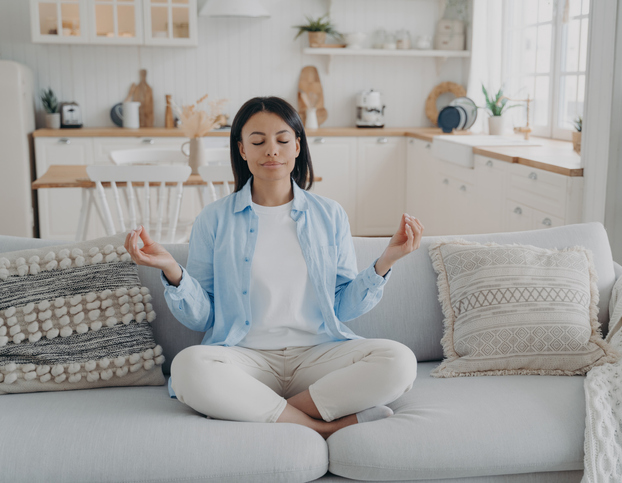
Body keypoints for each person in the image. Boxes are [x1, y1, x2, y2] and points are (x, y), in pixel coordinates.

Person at [124, 96, 425, 439]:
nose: (271, 150)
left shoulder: (330, 214)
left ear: (297, 146)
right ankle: (321, 425)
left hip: (318, 355)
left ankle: (263, 409)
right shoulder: (214, 219)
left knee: (399, 361)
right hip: (244, 357)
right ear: (241, 149)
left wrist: (385, 262)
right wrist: (172, 272)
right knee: (189, 367)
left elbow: (343, 306)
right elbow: (203, 318)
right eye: (258, 141)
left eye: (282, 140)